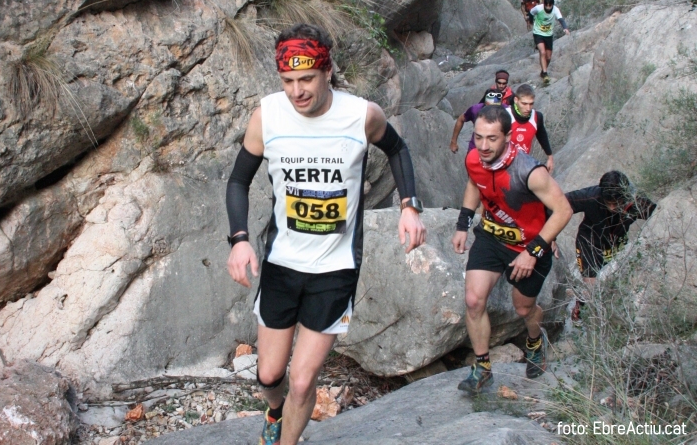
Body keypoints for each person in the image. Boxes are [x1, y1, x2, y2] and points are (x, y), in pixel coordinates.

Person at [226, 23, 426, 445]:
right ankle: (274, 410)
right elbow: (238, 181)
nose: (297, 91)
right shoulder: (268, 116)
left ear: (327, 70)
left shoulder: (361, 115)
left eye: (306, 79)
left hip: (335, 270)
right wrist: (240, 238)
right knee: (269, 375)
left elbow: (397, 149)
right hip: (282, 264)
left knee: (302, 382)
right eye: (287, 81)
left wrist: (409, 207)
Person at [452, 105, 572, 394]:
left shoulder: (529, 171)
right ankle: (482, 369)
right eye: (478, 137)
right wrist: (462, 223)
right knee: (473, 301)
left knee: (523, 308)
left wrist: (533, 252)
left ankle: (534, 342)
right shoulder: (473, 159)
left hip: (529, 246)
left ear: (507, 136)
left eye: (492, 139)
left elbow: (563, 210)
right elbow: (474, 183)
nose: (483, 145)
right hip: (492, 238)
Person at [565, 171, 656, 325]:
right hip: (590, 242)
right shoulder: (591, 196)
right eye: (609, 203)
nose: (613, 207)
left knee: (612, 287)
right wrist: (551, 237)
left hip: (616, 243)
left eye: (617, 203)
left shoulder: (635, 202)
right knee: (591, 288)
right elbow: (559, 203)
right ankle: (582, 319)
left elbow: (658, 215)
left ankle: (609, 320)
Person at [506, 84, 555, 173]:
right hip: (503, 165)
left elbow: (542, 136)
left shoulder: (537, 117)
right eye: (524, 104)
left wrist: (550, 157)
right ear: (516, 100)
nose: (528, 108)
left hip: (522, 164)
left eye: (531, 104)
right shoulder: (504, 115)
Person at [529, 0, 570, 84]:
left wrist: (565, 28)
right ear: (544, 4)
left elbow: (561, 19)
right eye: (546, 5)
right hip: (538, 33)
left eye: (549, 5)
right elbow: (531, 13)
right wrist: (531, 21)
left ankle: (543, 71)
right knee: (542, 52)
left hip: (548, 35)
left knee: (548, 57)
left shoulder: (555, 10)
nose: (548, 7)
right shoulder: (538, 8)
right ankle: (545, 73)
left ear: (552, 4)